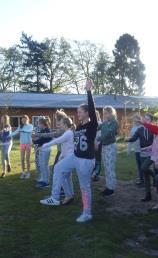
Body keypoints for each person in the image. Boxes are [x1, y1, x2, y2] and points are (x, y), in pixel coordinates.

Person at [40, 79, 98, 223]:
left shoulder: (92, 124)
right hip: (76, 157)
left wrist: (89, 91)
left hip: (86, 160)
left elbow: (92, 110)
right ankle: (54, 197)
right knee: (58, 168)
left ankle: (87, 212)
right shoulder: (78, 127)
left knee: (84, 187)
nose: (77, 114)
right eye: (77, 111)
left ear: (86, 113)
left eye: (80, 112)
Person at [40, 117, 75, 205]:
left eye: (61, 124)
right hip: (68, 158)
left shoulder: (68, 133)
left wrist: (45, 145)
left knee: (57, 170)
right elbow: (65, 147)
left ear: (65, 124)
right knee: (65, 177)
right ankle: (69, 195)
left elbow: (58, 141)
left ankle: (55, 197)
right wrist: (61, 157)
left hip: (70, 159)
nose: (59, 125)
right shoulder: (68, 132)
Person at [126, 113, 154, 189]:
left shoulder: (151, 128)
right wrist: (128, 141)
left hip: (150, 152)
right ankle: (144, 185)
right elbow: (133, 138)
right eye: (144, 118)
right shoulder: (138, 129)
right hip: (140, 151)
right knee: (142, 168)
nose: (145, 120)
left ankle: (154, 177)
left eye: (147, 119)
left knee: (144, 167)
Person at [96, 106, 119, 196]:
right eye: (104, 113)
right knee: (106, 167)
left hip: (110, 147)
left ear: (111, 113)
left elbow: (107, 134)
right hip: (104, 147)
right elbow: (97, 128)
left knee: (110, 167)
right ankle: (109, 186)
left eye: (106, 113)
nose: (104, 115)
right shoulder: (105, 122)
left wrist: (98, 139)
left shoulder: (114, 123)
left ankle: (111, 188)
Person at [11, 115, 34, 179]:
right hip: (22, 144)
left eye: (24, 120)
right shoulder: (20, 126)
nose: (23, 121)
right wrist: (8, 134)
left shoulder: (30, 126)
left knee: (27, 159)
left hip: (28, 144)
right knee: (22, 159)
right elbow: (15, 132)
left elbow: (29, 131)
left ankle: (28, 173)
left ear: (27, 120)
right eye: (22, 120)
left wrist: (23, 130)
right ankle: (23, 172)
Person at [34, 117, 52, 188]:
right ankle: (43, 179)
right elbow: (39, 140)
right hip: (42, 149)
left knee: (45, 165)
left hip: (46, 149)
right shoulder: (42, 130)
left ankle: (46, 182)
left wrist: (35, 140)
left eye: (38, 123)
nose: (38, 125)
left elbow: (42, 140)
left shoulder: (47, 130)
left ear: (42, 124)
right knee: (42, 165)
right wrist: (35, 140)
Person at [128, 115, 142, 185]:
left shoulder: (142, 127)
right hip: (136, 150)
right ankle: (140, 178)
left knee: (143, 166)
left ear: (140, 120)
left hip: (142, 150)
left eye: (137, 120)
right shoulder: (133, 128)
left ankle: (143, 179)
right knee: (139, 165)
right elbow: (130, 139)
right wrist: (129, 150)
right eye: (134, 120)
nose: (135, 122)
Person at [92, 110, 103, 181]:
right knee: (94, 159)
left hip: (98, 143)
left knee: (97, 159)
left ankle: (96, 174)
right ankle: (94, 173)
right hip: (93, 143)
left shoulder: (99, 123)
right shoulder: (94, 123)